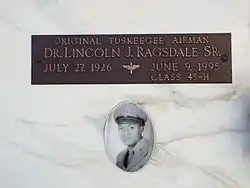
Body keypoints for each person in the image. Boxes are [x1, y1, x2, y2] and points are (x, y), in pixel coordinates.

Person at [113, 102, 152, 172]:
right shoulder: (120, 157)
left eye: (131, 127)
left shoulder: (150, 151)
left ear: (141, 129)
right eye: (121, 128)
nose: (125, 133)